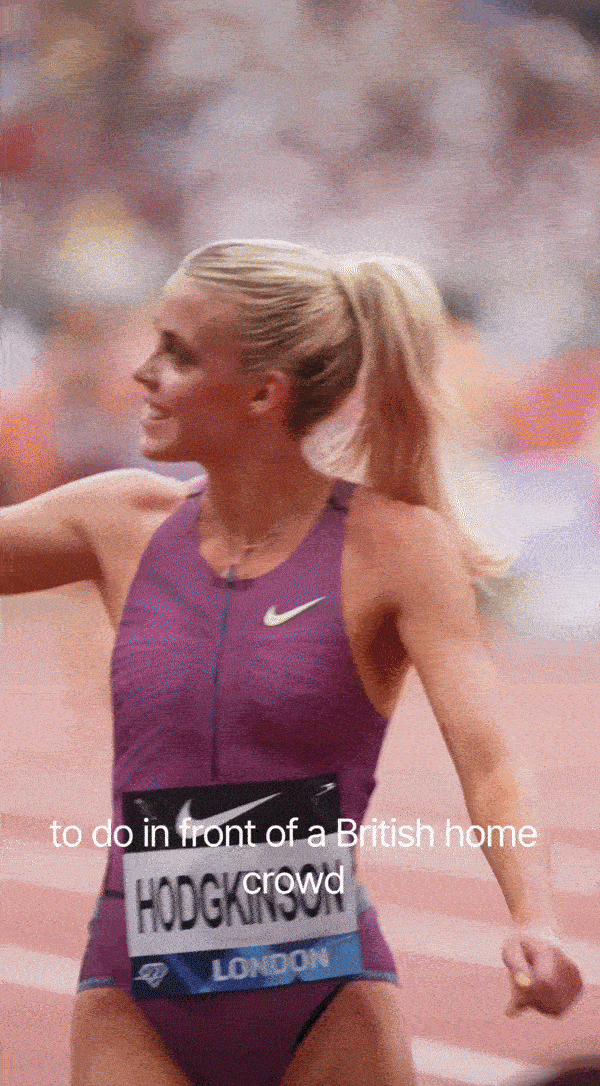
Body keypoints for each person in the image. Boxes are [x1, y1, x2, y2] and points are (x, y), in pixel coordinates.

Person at [2, 240, 583, 1086]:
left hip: (323, 996)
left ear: (264, 394)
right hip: (136, 990)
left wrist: (536, 916)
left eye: (178, 354)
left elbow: (489, 757)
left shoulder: (395, 546)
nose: (143, 375)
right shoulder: (117, 521)